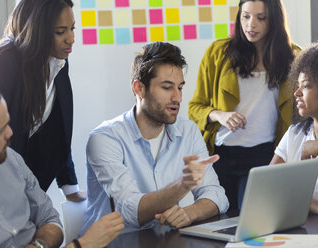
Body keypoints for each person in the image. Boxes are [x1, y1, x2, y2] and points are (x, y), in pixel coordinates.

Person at [81, 42, 229, 234]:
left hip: (166, 241)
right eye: (167, 88)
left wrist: (189, 213)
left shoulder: (188, 131)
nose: (178, 98)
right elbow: (132, 212)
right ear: (139, 89)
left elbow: (217, 196)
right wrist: (183, 185)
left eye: (180, 88)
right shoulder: (105, 138)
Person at [0, 85, 125, 248]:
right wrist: (83, 245)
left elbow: (51, 220)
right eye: (2, 129)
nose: (10, 133)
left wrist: (38, 245)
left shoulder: (11, 160)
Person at [188, 0, 300, 210]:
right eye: (246, 16)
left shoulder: (293, 57)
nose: (251, 25)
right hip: (221, 155)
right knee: (219, 222)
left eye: (261, 18)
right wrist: (219, 115)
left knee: (252, 225)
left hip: (267, 155)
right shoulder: (217, 53)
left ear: (274, 20)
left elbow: (303, 112)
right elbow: (195, 108)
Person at [0, 0, 85, 201]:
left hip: (26, 185)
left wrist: (70, 187)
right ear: (37, 29)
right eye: (60, 31)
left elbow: (59, 128)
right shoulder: (1, 64)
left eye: (72, 28)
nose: (71, 38)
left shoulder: (57, 62)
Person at [270, 42, 318, 216]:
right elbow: (267, 190)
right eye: (298, 85)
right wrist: (313, 205)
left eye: (306, 86)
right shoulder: (295, 133)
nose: (297, 93)